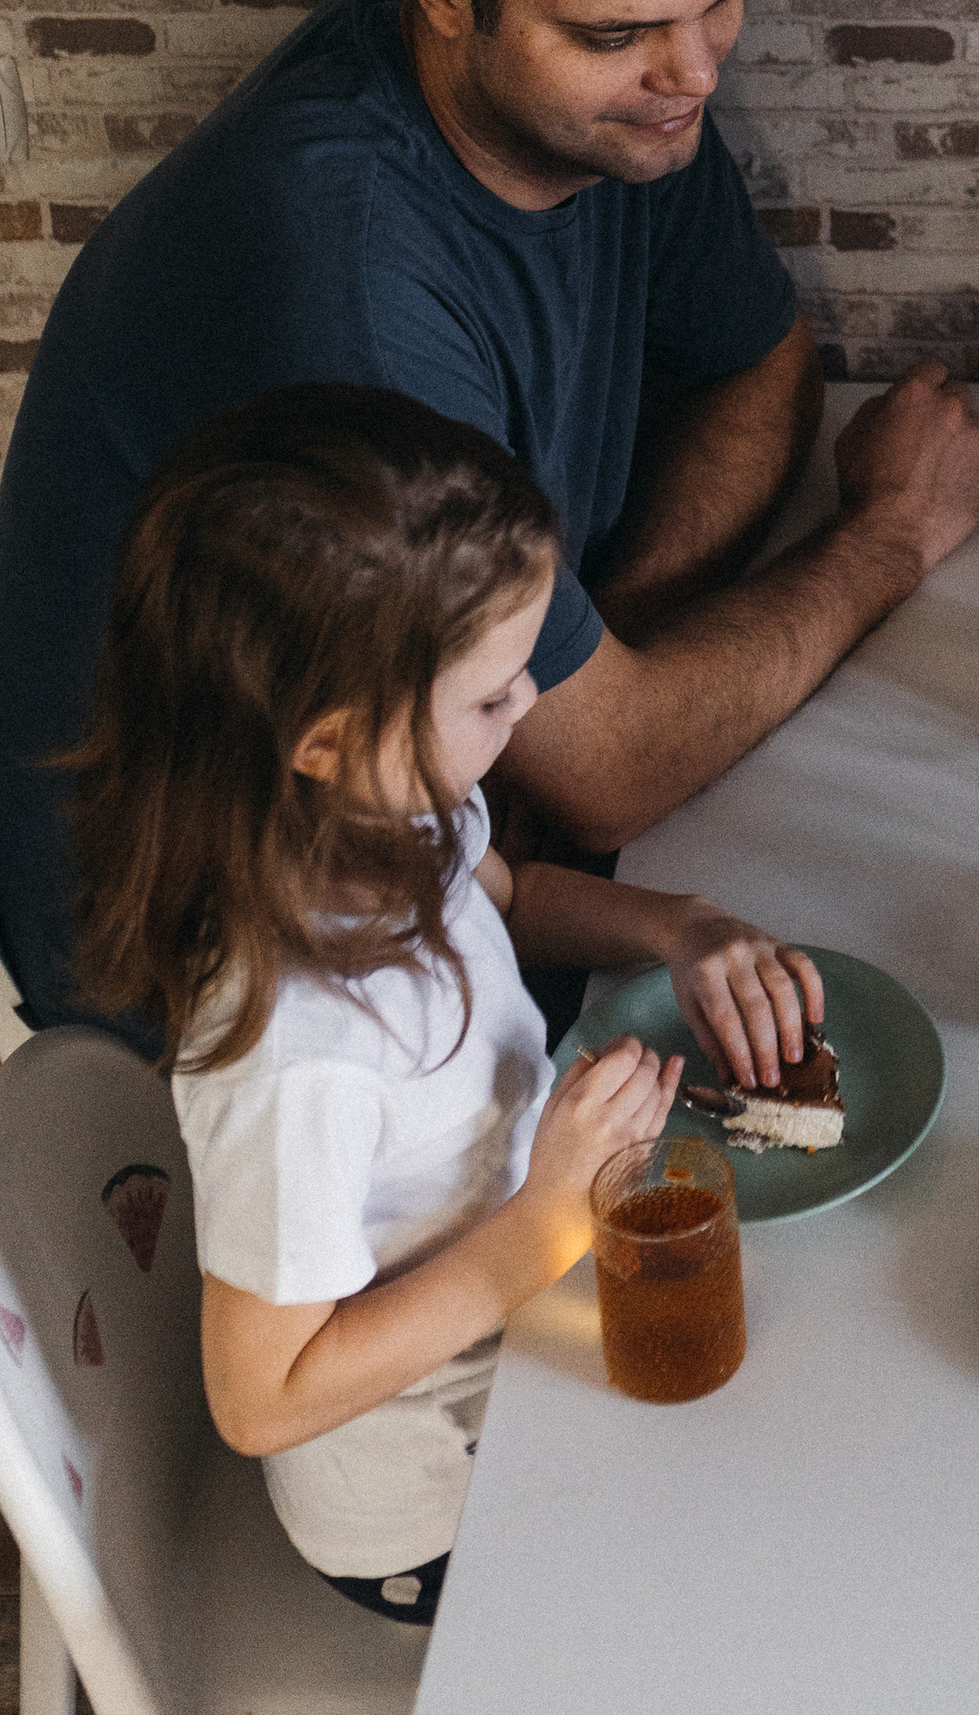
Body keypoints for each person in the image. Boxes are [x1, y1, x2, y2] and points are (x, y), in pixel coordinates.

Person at [0, 0, 979, 1033]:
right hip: (229, 1002)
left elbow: (756, 362)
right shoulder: (343, 278)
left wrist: (597, 665)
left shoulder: (622, 109)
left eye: (721, 1)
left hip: (464, 875)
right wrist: (886, 536)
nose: (693, 73)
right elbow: (616, 769)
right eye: (618, 34)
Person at [73, 388, 821, 1625]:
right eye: (489, 697)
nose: (529, 705)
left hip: (538, 1329)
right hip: (439, 1501)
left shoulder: (388, 807)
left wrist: (673, 924)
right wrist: (542, 1224)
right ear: (324, 740)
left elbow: (511, 899)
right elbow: (263, 1400)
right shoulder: (294, 1053)